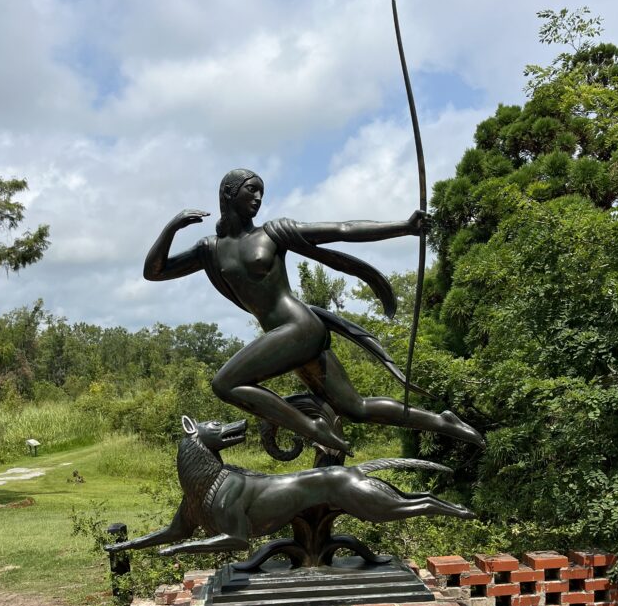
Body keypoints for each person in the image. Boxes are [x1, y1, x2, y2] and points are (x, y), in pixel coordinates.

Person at [144, 168, 484, 456]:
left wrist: (405, 227)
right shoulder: (210, 250)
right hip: (286, 338)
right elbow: (154, 272)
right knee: (357, 408)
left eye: (261, 192)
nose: (259, 198)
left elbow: (341, 230)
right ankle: (442, 421)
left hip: (300, 328)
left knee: (225, 384)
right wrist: (172, 227)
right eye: (252, 190)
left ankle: (316, 430)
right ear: (229, 193)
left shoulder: (272, 234)